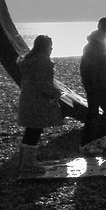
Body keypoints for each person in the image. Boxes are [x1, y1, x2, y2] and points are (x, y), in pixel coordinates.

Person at [16, 35, 64, 175]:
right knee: (35, 130)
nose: (52, 48)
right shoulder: (44, 62)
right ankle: (28, 164)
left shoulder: (28, 60)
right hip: (38, 101)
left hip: (27, 98)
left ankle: (23, 160)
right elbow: (43, 84)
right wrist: (56, 93)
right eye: (50, 45)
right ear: (45, 47)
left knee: (30, 130)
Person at [80, 17, 106, 156]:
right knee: (93, 113)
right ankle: (85, 143)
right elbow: (86, 69)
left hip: (102, 82)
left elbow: (103, 65)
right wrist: (92, 86)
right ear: (100, 27)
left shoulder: (101, 42)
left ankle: (100, 138)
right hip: (94, 84)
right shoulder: (91, 46)